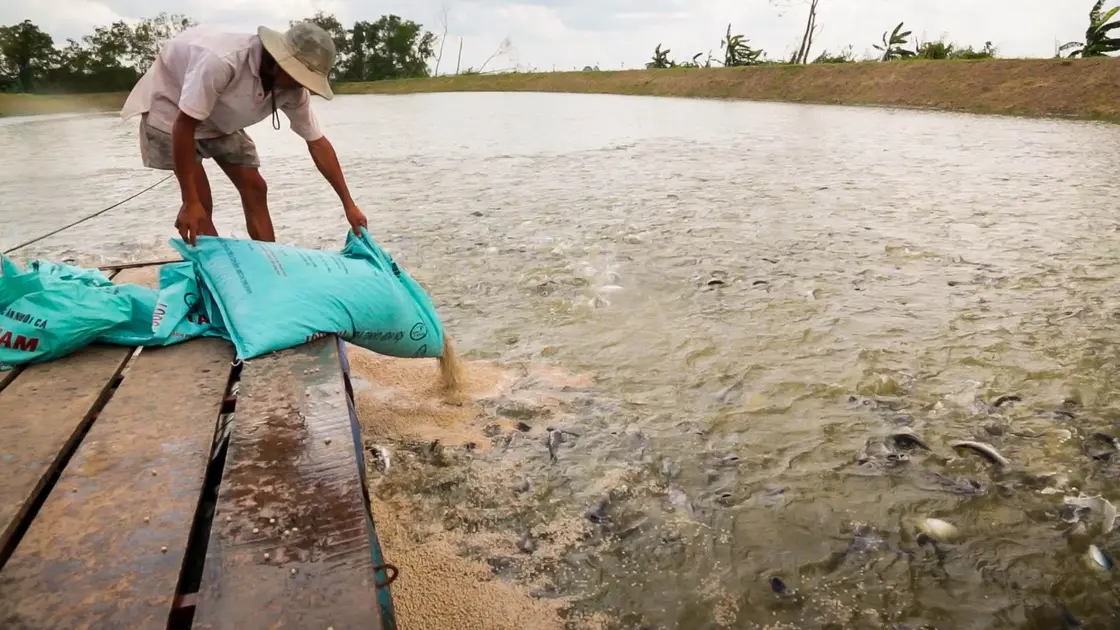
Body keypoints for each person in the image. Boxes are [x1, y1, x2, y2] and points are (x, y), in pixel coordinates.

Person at [120, 21, 368, 245]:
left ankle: (271, 260)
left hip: (220, 118)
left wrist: (349, 204)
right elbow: (184, 126)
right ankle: (215, 269)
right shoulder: (223, 61)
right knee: (200, 203)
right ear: (277, 62)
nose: (300, 85)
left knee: (255, 187)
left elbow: (317, 143)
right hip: (173, 113)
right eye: (297, 76)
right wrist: (189, 201)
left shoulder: (293, 91)